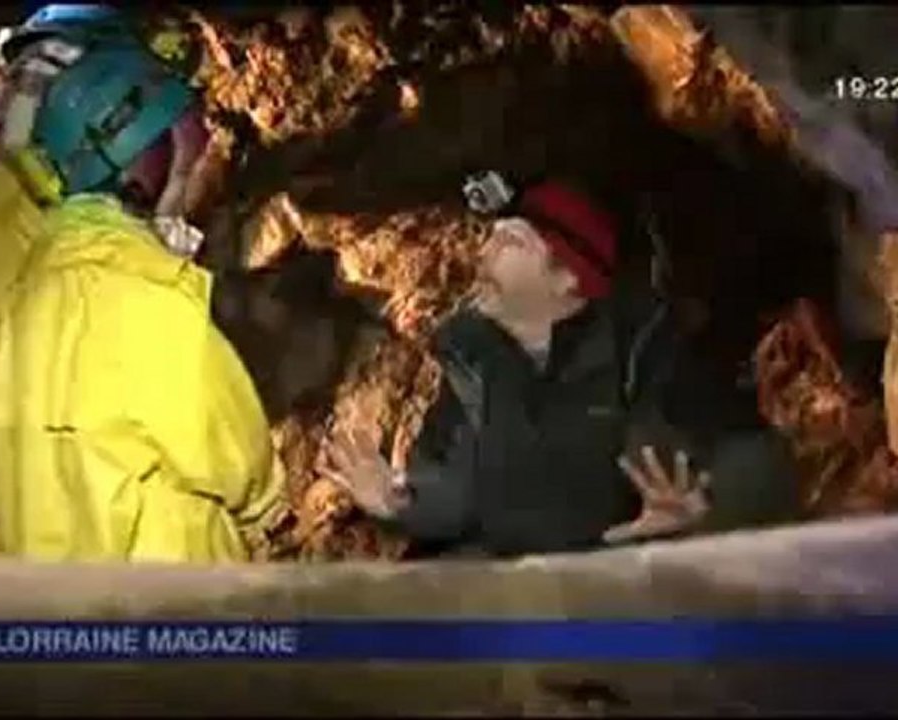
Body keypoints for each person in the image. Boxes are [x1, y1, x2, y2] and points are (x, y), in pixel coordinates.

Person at [321, 172, 798, 557]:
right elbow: (457, 494)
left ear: (569, 278)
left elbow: (749, 461)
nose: (484, 253)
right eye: (491, 238)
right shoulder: (473, 365)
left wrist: (698, 522)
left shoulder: (643, 358)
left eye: (511, 243)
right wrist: (400, 500)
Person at [0, 41, 288, 561]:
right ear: (148, 164)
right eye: (187, 160)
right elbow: (247, 474)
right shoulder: (151, 304)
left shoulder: (21, 285)